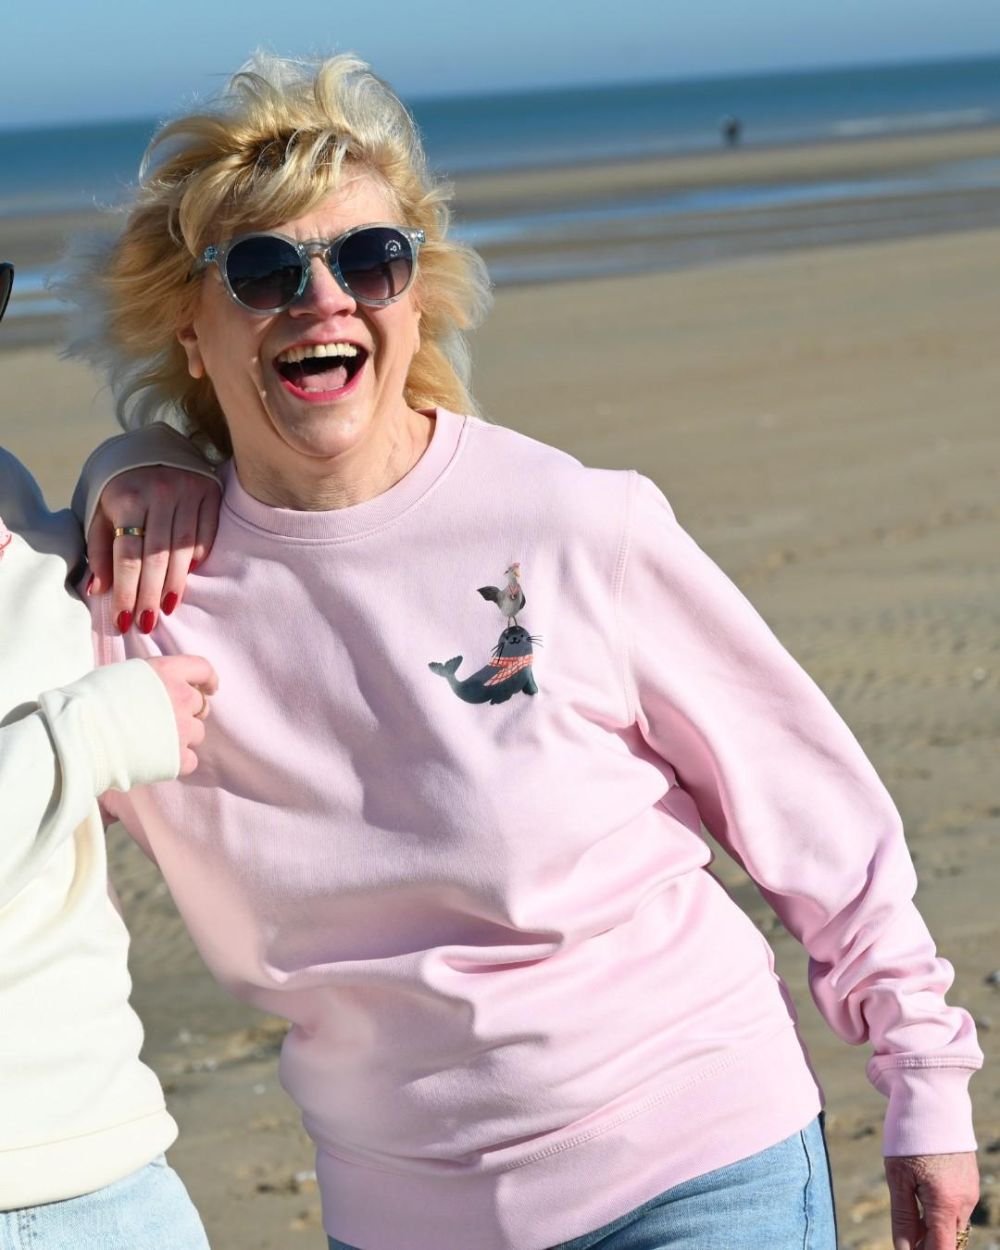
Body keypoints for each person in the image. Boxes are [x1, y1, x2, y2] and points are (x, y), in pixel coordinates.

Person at [67, 55, 982, 1250]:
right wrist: (118, 464)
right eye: (262, 269)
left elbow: (810, 808)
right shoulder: (132, 602)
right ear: (190, 329)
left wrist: (923, 1075)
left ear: (416, 298)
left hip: (699, 1165)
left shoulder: (574, 523)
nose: (322, 298)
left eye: (368, 259)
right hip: (399, 1213)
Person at [0, 261, 222, 1247]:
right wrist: (89, 735)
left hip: (108, 1167)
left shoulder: (6, 492)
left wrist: (135, 465)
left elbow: (56, 572)